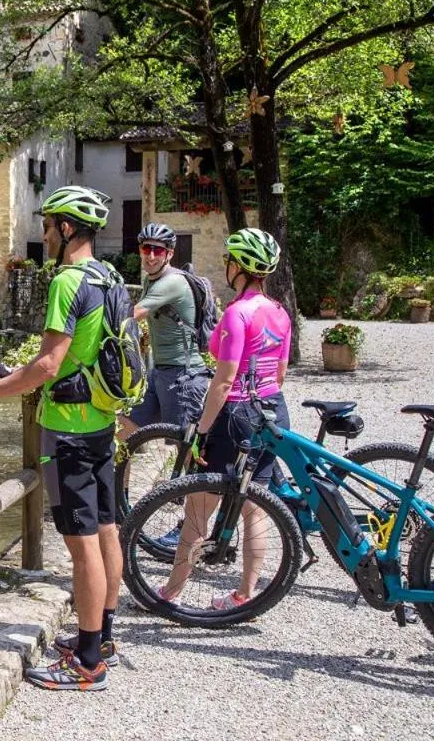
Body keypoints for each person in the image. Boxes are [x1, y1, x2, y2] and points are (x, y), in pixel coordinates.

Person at [0, 185, 122, 691]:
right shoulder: (109, 277)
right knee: (106, 530)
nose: (42, 235)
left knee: (81, 543)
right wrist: (12, 372)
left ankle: (88, 663)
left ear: (67, 229)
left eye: (47, 226)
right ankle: (102, 636)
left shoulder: (68, 281)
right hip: (101, 422)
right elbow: (78, 355)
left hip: (67, 431)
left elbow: (48, 364)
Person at [158, 228, 291, 609]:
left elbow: (223, 381)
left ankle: (170, 593)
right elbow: (279, 374)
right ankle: (243, 596)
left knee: (199, 505)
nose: (225, 265)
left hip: (234, 414)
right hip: (271, 409)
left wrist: (199, 432)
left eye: (229, 260)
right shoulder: (279, 312)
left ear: (239, 267)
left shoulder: (237, 314)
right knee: (255, 508)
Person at [121, 222, 210, 436]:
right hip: (159, 371)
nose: (151, 256)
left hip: (183, 375)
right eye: (146, 249)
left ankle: (194, 471)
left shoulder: (172, 282)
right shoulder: (150, 280)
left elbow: (132, 315)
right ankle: (118, 469)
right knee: (125, 427)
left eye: (158, 250)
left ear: (169, 254)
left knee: (184, 446)